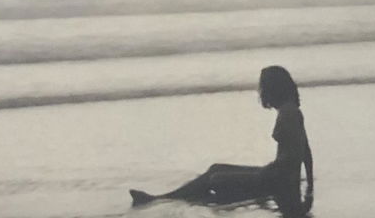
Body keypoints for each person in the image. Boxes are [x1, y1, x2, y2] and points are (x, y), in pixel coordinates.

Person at [130, 66, 313, 208]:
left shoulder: (288, 114)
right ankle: (164, 197)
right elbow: (306, 151)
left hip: (276, 178)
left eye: (263, 87)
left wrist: (272, 176)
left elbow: (288, 161)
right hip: (277, 175)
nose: (261, 92)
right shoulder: (291, 111)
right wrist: (309, 182)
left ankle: (162, 199)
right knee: (216, 168)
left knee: (215, 179)